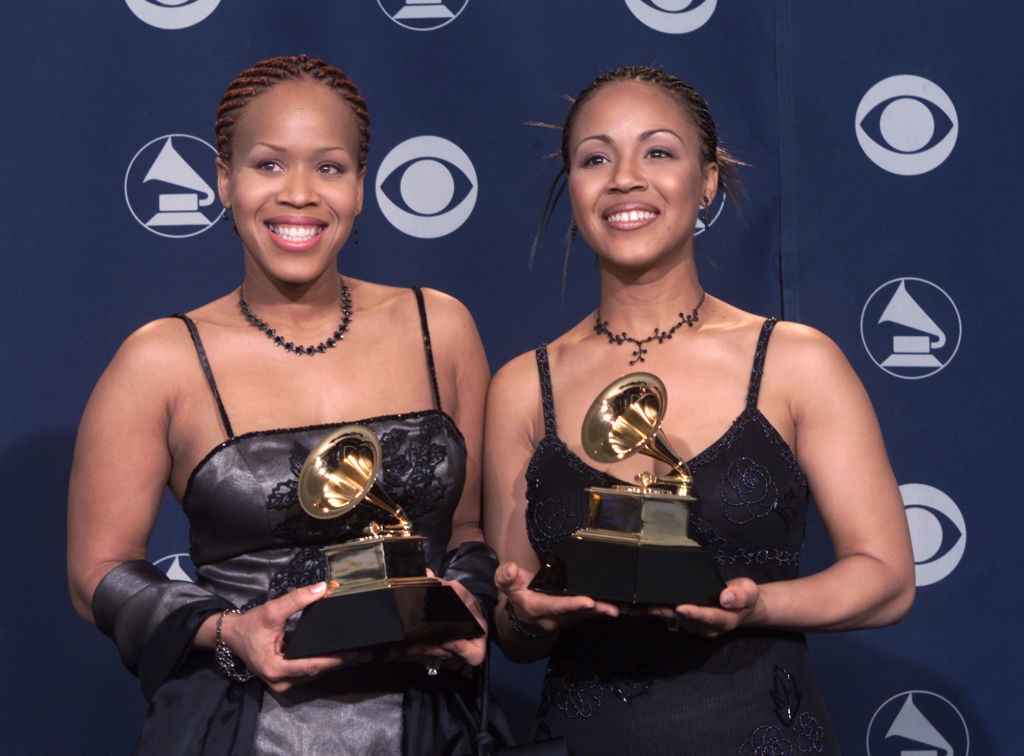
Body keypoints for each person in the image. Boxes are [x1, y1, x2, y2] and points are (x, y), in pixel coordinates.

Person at [67, 55, 496, 755]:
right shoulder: (162, 360)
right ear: (223, 181)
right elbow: (97, 575)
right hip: (241, 730)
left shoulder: (438, 328)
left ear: (361, 185)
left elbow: (474, 526)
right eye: (268, 165)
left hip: (434, 726)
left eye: (329, 167)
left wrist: (467, 603)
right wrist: (229, 631)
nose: (299, 195)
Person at [483, 65, 915, 755]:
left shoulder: (794, 362)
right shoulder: (520, 387)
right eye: (596, 158)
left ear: (708, 179)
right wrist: (527, 616)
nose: (625, 177)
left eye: (658, 151)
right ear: (574, 190)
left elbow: (887, 580)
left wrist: (755, 606)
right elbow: (514, 629)